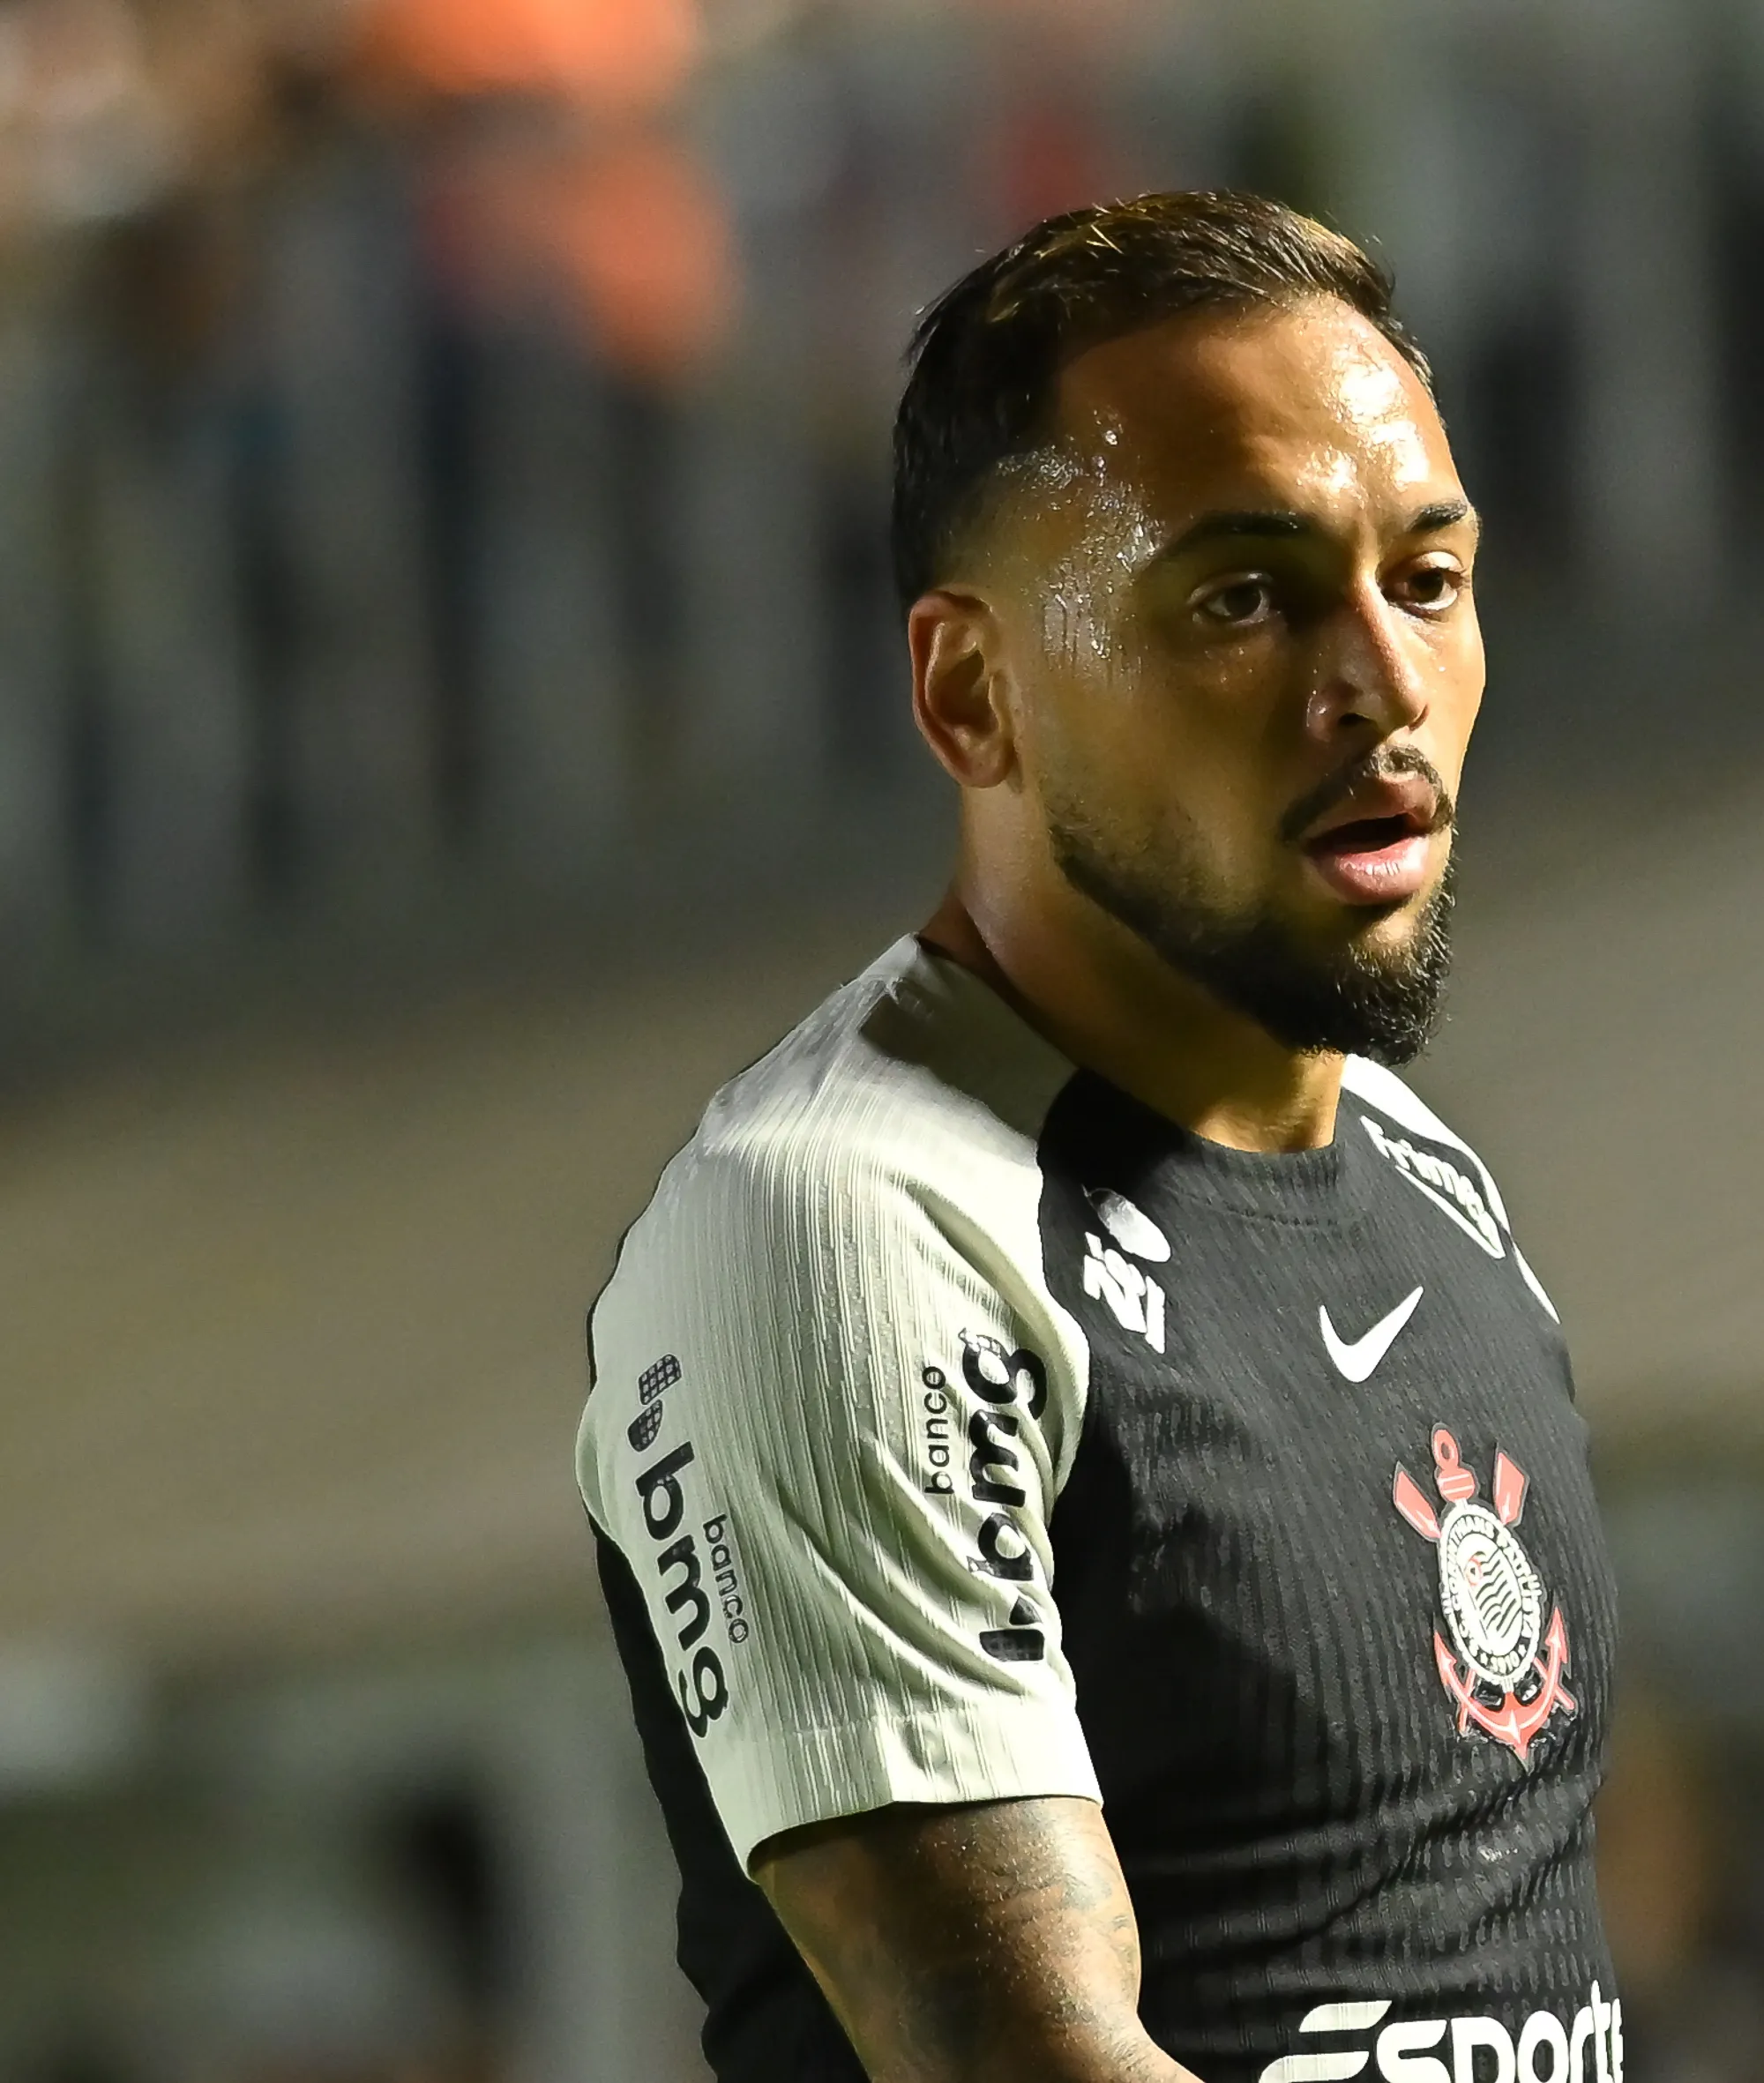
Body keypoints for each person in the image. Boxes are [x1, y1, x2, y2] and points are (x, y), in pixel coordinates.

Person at [573, 190, 1623, 2083]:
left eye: (1429, 579)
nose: (1380, 684)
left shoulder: (1428, 1180)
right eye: (1242, 595)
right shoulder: (847, 1228)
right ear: (973, 692)